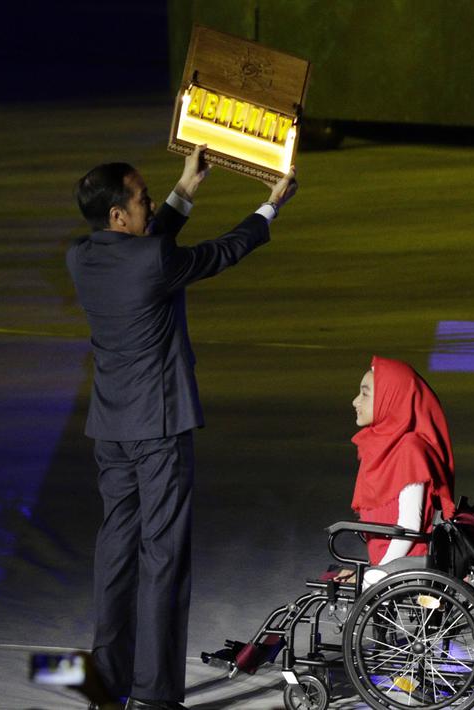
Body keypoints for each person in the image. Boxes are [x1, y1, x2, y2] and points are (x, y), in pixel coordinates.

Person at [67, 145, 297, 710]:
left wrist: (186, 186)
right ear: (118, 215)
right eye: (143, 199)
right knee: (163, 556)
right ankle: (154, 695)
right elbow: (217, 253)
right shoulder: (152, 261)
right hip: (160, 428)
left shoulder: (80, 256)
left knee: (116, 553)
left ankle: (107, 684)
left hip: (112, 428)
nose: (150, 206)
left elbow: (148, 247)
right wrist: (269, 208)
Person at [337, 356, 457, 587]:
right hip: (389, 560)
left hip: (404, 564)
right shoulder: (381, 445)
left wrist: (380, 572)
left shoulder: (409, 450)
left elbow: (410, 525)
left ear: (390, 399)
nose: (355, 401)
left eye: (365, 394)